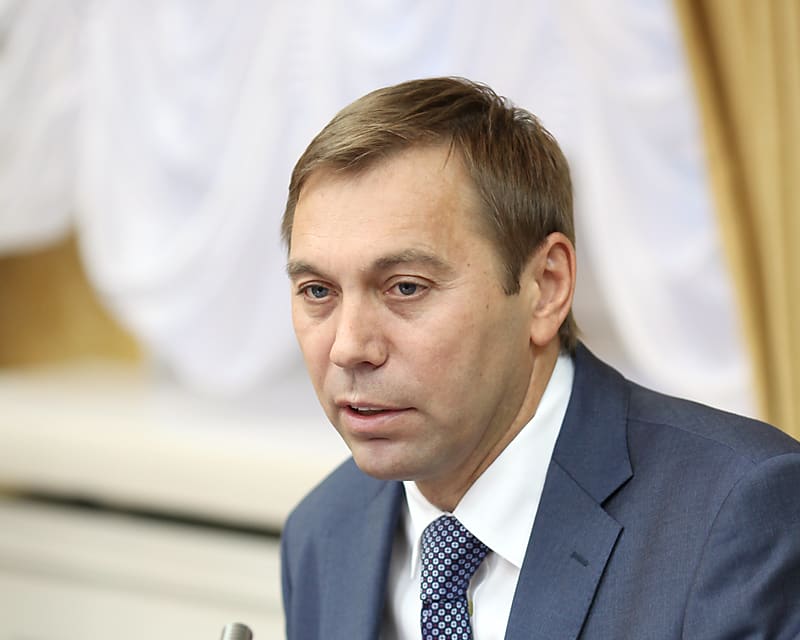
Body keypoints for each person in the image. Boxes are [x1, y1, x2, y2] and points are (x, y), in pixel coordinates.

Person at [278, 77, 800, 639]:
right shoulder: (321, 535)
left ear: (546, 287)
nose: (349, 347)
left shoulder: (739, 514)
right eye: (317, 291)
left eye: (406, 287)